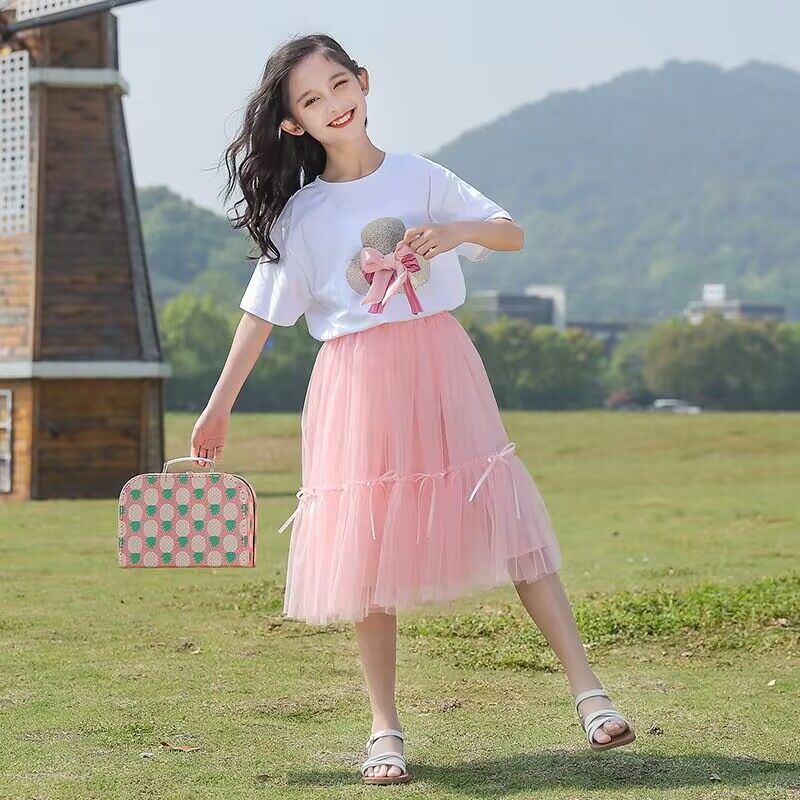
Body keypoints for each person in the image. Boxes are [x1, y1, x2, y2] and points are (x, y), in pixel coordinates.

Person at [191, 32, 635, 786]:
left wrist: (453, 232)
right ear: (294, 123)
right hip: (355, 380)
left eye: (340, 84)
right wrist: (217, 409)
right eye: (312, 100)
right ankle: (384, 729)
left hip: (441, 363)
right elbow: (259, 316)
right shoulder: (302, 215)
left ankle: (590, 695)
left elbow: (510, 233)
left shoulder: (421, 175)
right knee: (366, 552)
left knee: (508, 517)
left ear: (364, 82)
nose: (334, 104)